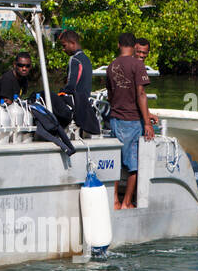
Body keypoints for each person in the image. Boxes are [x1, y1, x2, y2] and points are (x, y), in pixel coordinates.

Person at [106, 33, 154, 209]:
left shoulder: (111, 66)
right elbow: (140, 93)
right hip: (132, 120)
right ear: (134, 46)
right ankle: (127, 202)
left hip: (115, 119)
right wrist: (147, 122)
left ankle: (114, 201)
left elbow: (110, 95)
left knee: (116, 161)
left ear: (119, 45)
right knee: (133, 164)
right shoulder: (137, 65)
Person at [59, 30, 101, 135]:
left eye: (64, 46)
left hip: (76, 103)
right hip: (85, 101)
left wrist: (61, 93)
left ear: (72, 43)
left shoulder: (74, 59)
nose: (63, 49)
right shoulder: (86, 59)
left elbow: (71, 85)